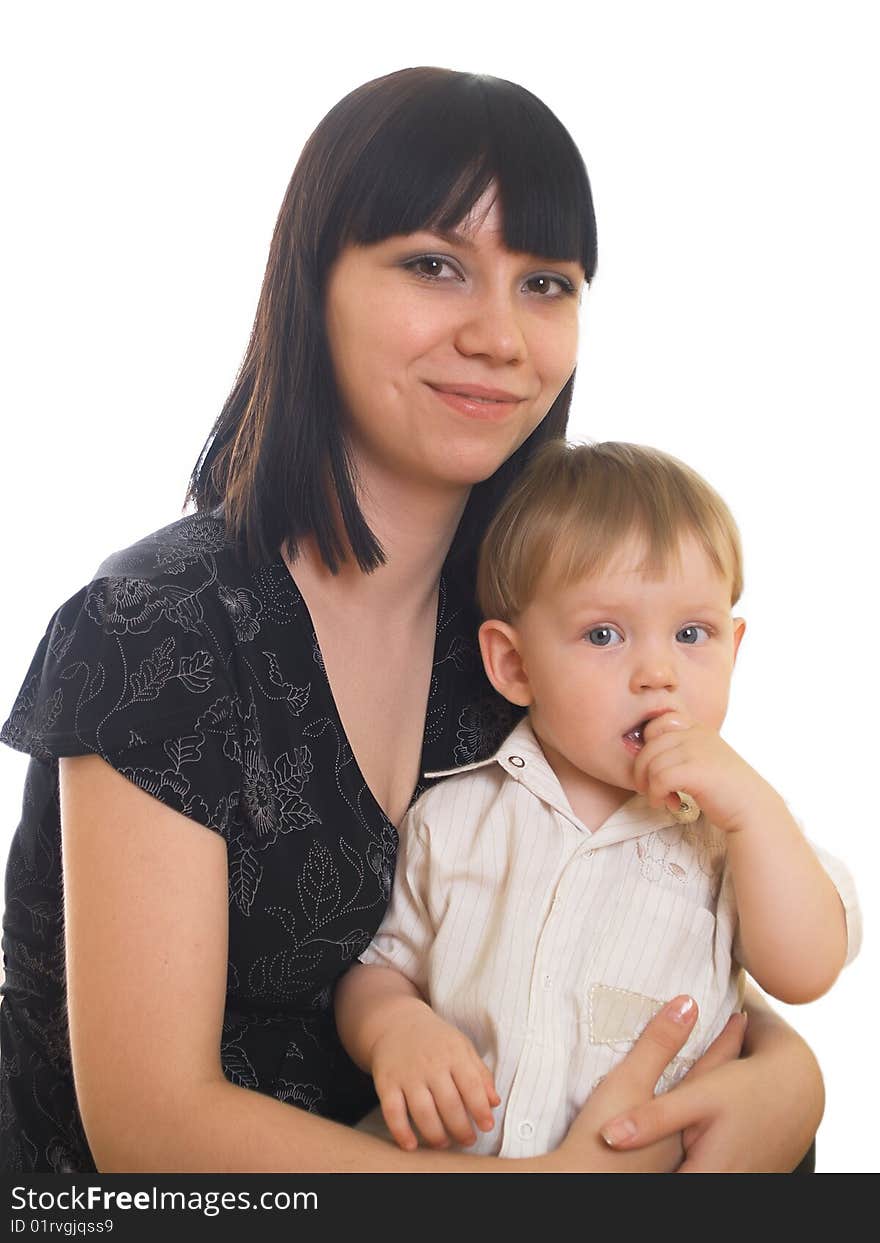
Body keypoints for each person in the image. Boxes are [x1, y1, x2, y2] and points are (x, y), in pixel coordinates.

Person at [0, 67, 824, 1174]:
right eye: (434, 266)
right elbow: (153, 1129)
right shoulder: (160, 629)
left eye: (546, 284)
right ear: (314, 282)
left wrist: (789, 1076)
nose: (499, 334)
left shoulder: (539, 629)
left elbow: (642, 924)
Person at [336, 440, 861, 1158]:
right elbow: (380, 967)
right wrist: (396, 1028)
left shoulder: (735, 833)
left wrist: (753, 812)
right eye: (604, 634)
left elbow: (805, 971)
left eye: (691, 633)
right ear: (515, 663)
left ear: (734, 648)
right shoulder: (456, 815)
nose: (658, 672)